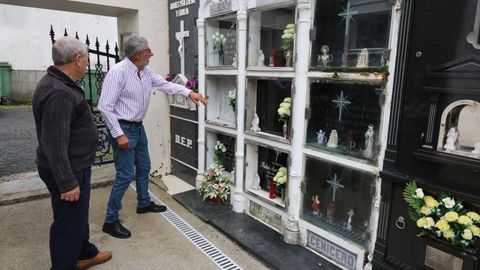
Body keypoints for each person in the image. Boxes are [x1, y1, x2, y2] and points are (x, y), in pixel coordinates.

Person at [98, 35, 208, 239]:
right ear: (138, 54)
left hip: (138, 128)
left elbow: (165, 85)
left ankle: (143, 202)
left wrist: (188, 93)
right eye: (148, 50)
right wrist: (118, 134)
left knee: (145, 166)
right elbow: (105, 107)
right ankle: (110, 220)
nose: (152, 53)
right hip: (123, 128)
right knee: (124, 175)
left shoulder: (145, 71)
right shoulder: (118, 73)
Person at [32, 36, 112, 270]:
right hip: (68, 171)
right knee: (67, 224)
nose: (87, 63)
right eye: (86, 58)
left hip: (74, 166)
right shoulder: (59, 92)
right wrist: (67, 183)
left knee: (76, 217)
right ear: (77, 59)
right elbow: (54, 143)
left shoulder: (58, 82)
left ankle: (84, 253)